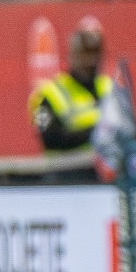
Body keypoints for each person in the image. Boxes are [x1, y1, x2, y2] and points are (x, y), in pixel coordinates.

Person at [29, 19, 116, 164]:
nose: (90, 61)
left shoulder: (109, 88)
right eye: (84, 54)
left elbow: (131, 127)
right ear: (72, 55)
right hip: (65, 178)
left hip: (106, 177)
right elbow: (49, 139)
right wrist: (96, 133)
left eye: (95, 53)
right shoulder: (50, 94)